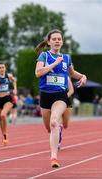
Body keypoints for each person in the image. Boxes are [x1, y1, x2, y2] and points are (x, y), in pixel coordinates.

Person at [35, 29, 87, 168]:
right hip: (45, 95)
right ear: (49, 42)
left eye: (59, 39)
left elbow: (72, 73)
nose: (57, 41)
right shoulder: (44, 56)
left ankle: (53, 158)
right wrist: (54, 64)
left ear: (62, 42)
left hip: (60, 96)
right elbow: (38, 73)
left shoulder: (67, 58)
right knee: (48, 127)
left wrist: (82, 76)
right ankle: (57, 132)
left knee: (53, 122)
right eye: (54, 39)